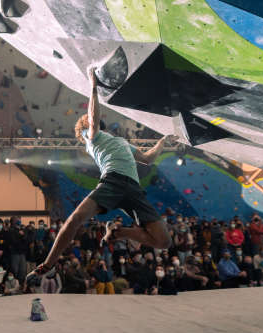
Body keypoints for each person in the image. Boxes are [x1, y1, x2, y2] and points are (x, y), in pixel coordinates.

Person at [28, 67, 174, 280]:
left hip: (133, 188)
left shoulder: (121, 142)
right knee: (75, 218)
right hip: (112, 182)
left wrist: (162, 142)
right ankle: (47, 264)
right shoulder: (90, 137)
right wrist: (93, 85)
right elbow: (93, 119)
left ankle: (117, 233)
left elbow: (147, 159)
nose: (91, 121)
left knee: (164, 242)